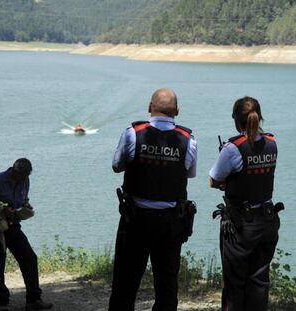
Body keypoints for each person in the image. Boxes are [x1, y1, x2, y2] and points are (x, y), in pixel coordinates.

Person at [109, 88, 198, 311]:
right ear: (177, 111)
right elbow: (188, 173)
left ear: (150, 108)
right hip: (170, 222)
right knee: (167, 285)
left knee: (125, 282)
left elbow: (116, 166)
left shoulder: (133, 133)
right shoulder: (188, 140)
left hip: (135, 221)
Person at [209, 96, 282, 311]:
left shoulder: (232, 148)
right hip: (267, 220)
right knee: (259, 283)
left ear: (236, 120)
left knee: (235, 284)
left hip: (241, 225)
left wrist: (229, 183)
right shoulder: (272, 143)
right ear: (259, 118)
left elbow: (213, 180)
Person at [0, 158, 53, 311]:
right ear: (14, 170)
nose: (24, 179)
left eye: (26, 176)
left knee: (29, 258)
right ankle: (2, 304)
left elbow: (23, 199)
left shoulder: (25, 181)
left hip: (13, 226)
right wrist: (3, 208)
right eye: (22, 176)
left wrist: (25, 206)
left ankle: (33, 300)